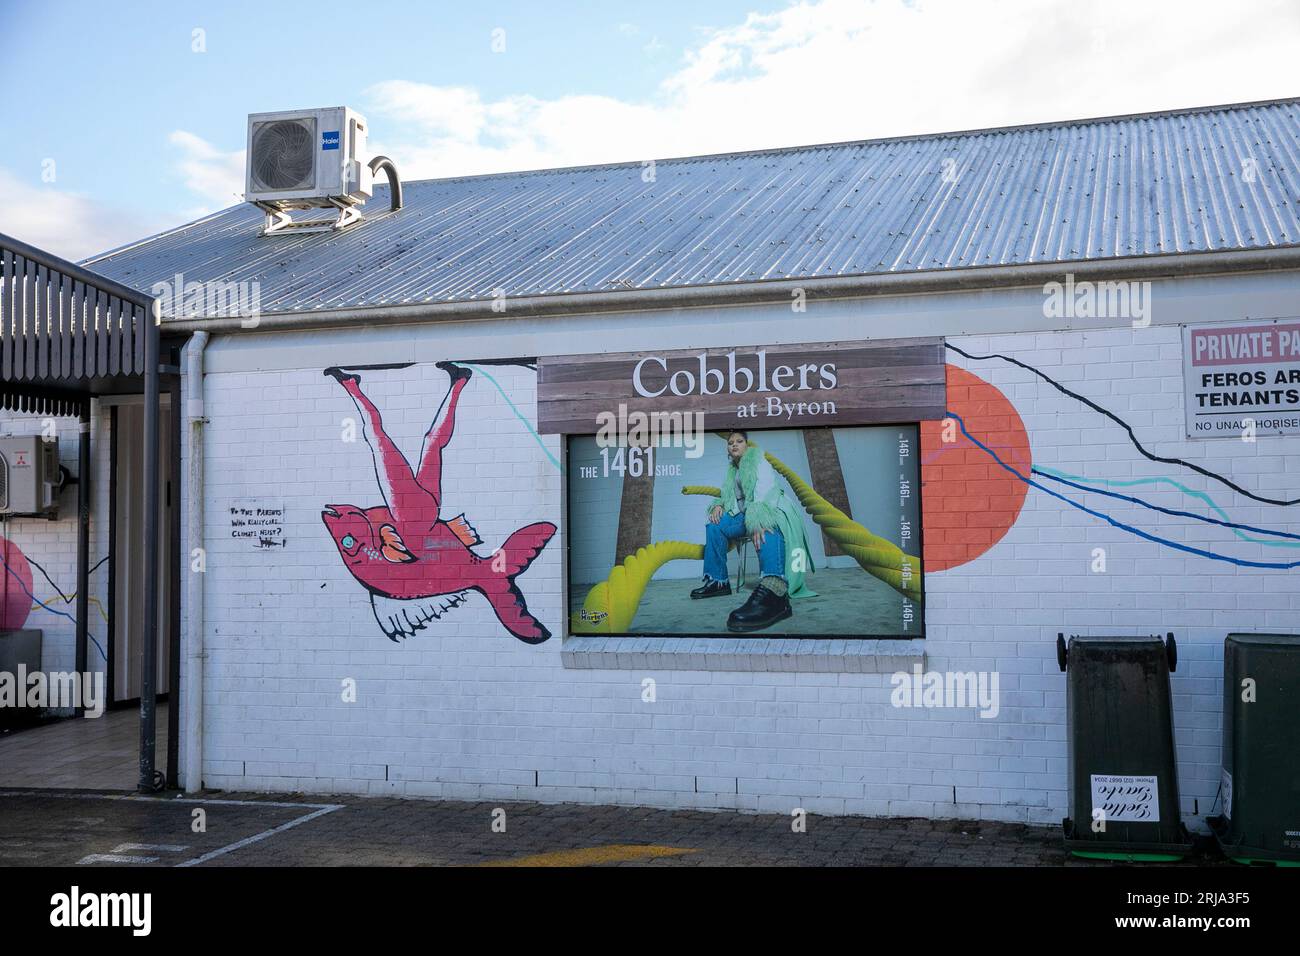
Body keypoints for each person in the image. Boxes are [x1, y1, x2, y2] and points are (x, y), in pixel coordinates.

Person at [691, 430, 813, 632]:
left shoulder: (758, 460)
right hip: (744, 515)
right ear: (728, 449)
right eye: (730, 443)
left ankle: (775, 589)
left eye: (739, 441)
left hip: (770, 505)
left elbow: (765, 491)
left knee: (767, 525)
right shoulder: (732, 470)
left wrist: (758, 518)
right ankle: (718, 582)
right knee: (714, 525)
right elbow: (729, 497)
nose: (734, 445)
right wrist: (719, 505)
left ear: (747, 445)